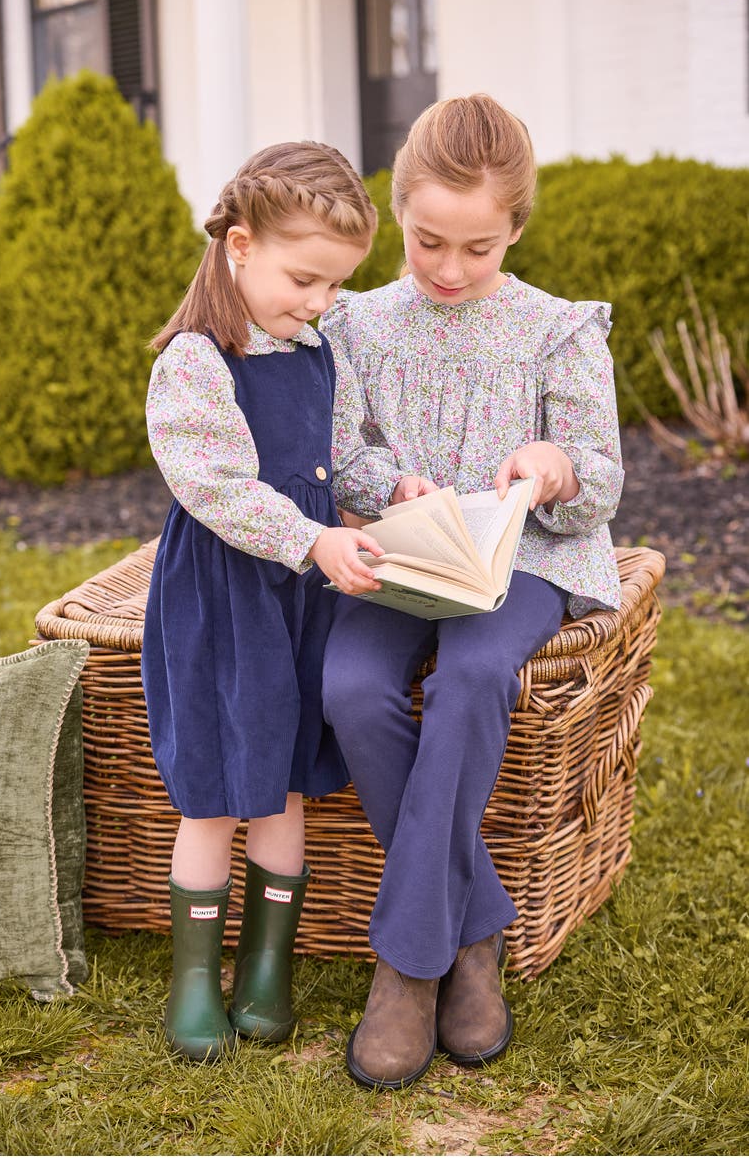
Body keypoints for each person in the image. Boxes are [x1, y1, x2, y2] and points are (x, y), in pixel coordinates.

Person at [320, 93, 625, 1090]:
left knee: (473, 675)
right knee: (353, 688)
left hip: (521, 560)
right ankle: (475, 926)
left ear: (517, 230)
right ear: (397, 212)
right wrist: (383, 486)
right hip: (405, 559)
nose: (451, 269)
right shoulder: (357, 324)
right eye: (427, 242)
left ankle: (408, 963)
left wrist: (552, 463)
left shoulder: (557, 329)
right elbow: (344, 456)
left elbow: (601, 474)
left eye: (479, 248)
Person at [141, 140, 433, 1062]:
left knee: (287, 782)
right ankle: (197, 978)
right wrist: (311, 539)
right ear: (239, 243)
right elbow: (218, 487)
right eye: (304, 278)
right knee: (219, 788)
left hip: (299, 601)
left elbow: (340, 460)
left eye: (335, 288)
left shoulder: (315, 351)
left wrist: (391, 490)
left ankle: (267, 970)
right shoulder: (195, 362)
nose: (318, 302)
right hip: (225, 600)